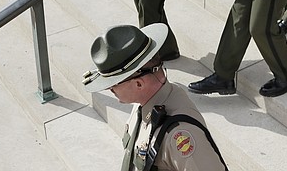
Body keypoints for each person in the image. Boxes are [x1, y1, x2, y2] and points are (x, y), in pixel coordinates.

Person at [82, 24, 228, 171]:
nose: (109, 89)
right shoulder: (143, 103)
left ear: (139, 84)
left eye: (113, 83)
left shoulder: (178, 135)